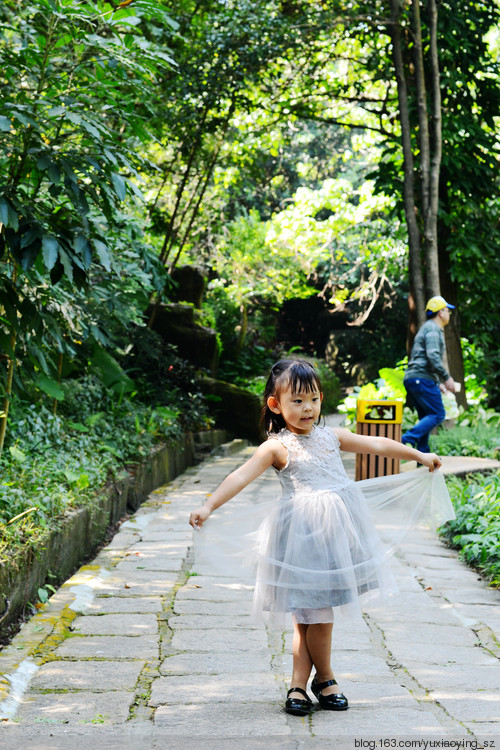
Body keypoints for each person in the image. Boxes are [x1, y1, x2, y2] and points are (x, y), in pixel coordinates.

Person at [188, 359, 454, 717]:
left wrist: (418, 454)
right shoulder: (276, 447)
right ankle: (324, 677)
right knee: (316, 611)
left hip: (337, 539)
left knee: (310, 612)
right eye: (296, 401)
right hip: (302, 538)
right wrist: (209, 506)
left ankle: (301, 682)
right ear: (275, 405)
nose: (307, 408)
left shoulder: (332, 437)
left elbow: (376, 443)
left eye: (312, 398)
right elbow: (240, 477)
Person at [402, 295, 456, 453]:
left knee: (425, 416)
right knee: (437, 414)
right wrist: (446, 378)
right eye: (447, 311)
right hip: (420, 378)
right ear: (440, 312)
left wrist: (437, 383)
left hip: (416, 378)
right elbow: (432, 356)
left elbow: (424, 358)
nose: (449, 314)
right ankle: (406, 439)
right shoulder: (432, 328)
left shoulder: (428, 327)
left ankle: (423, 456)